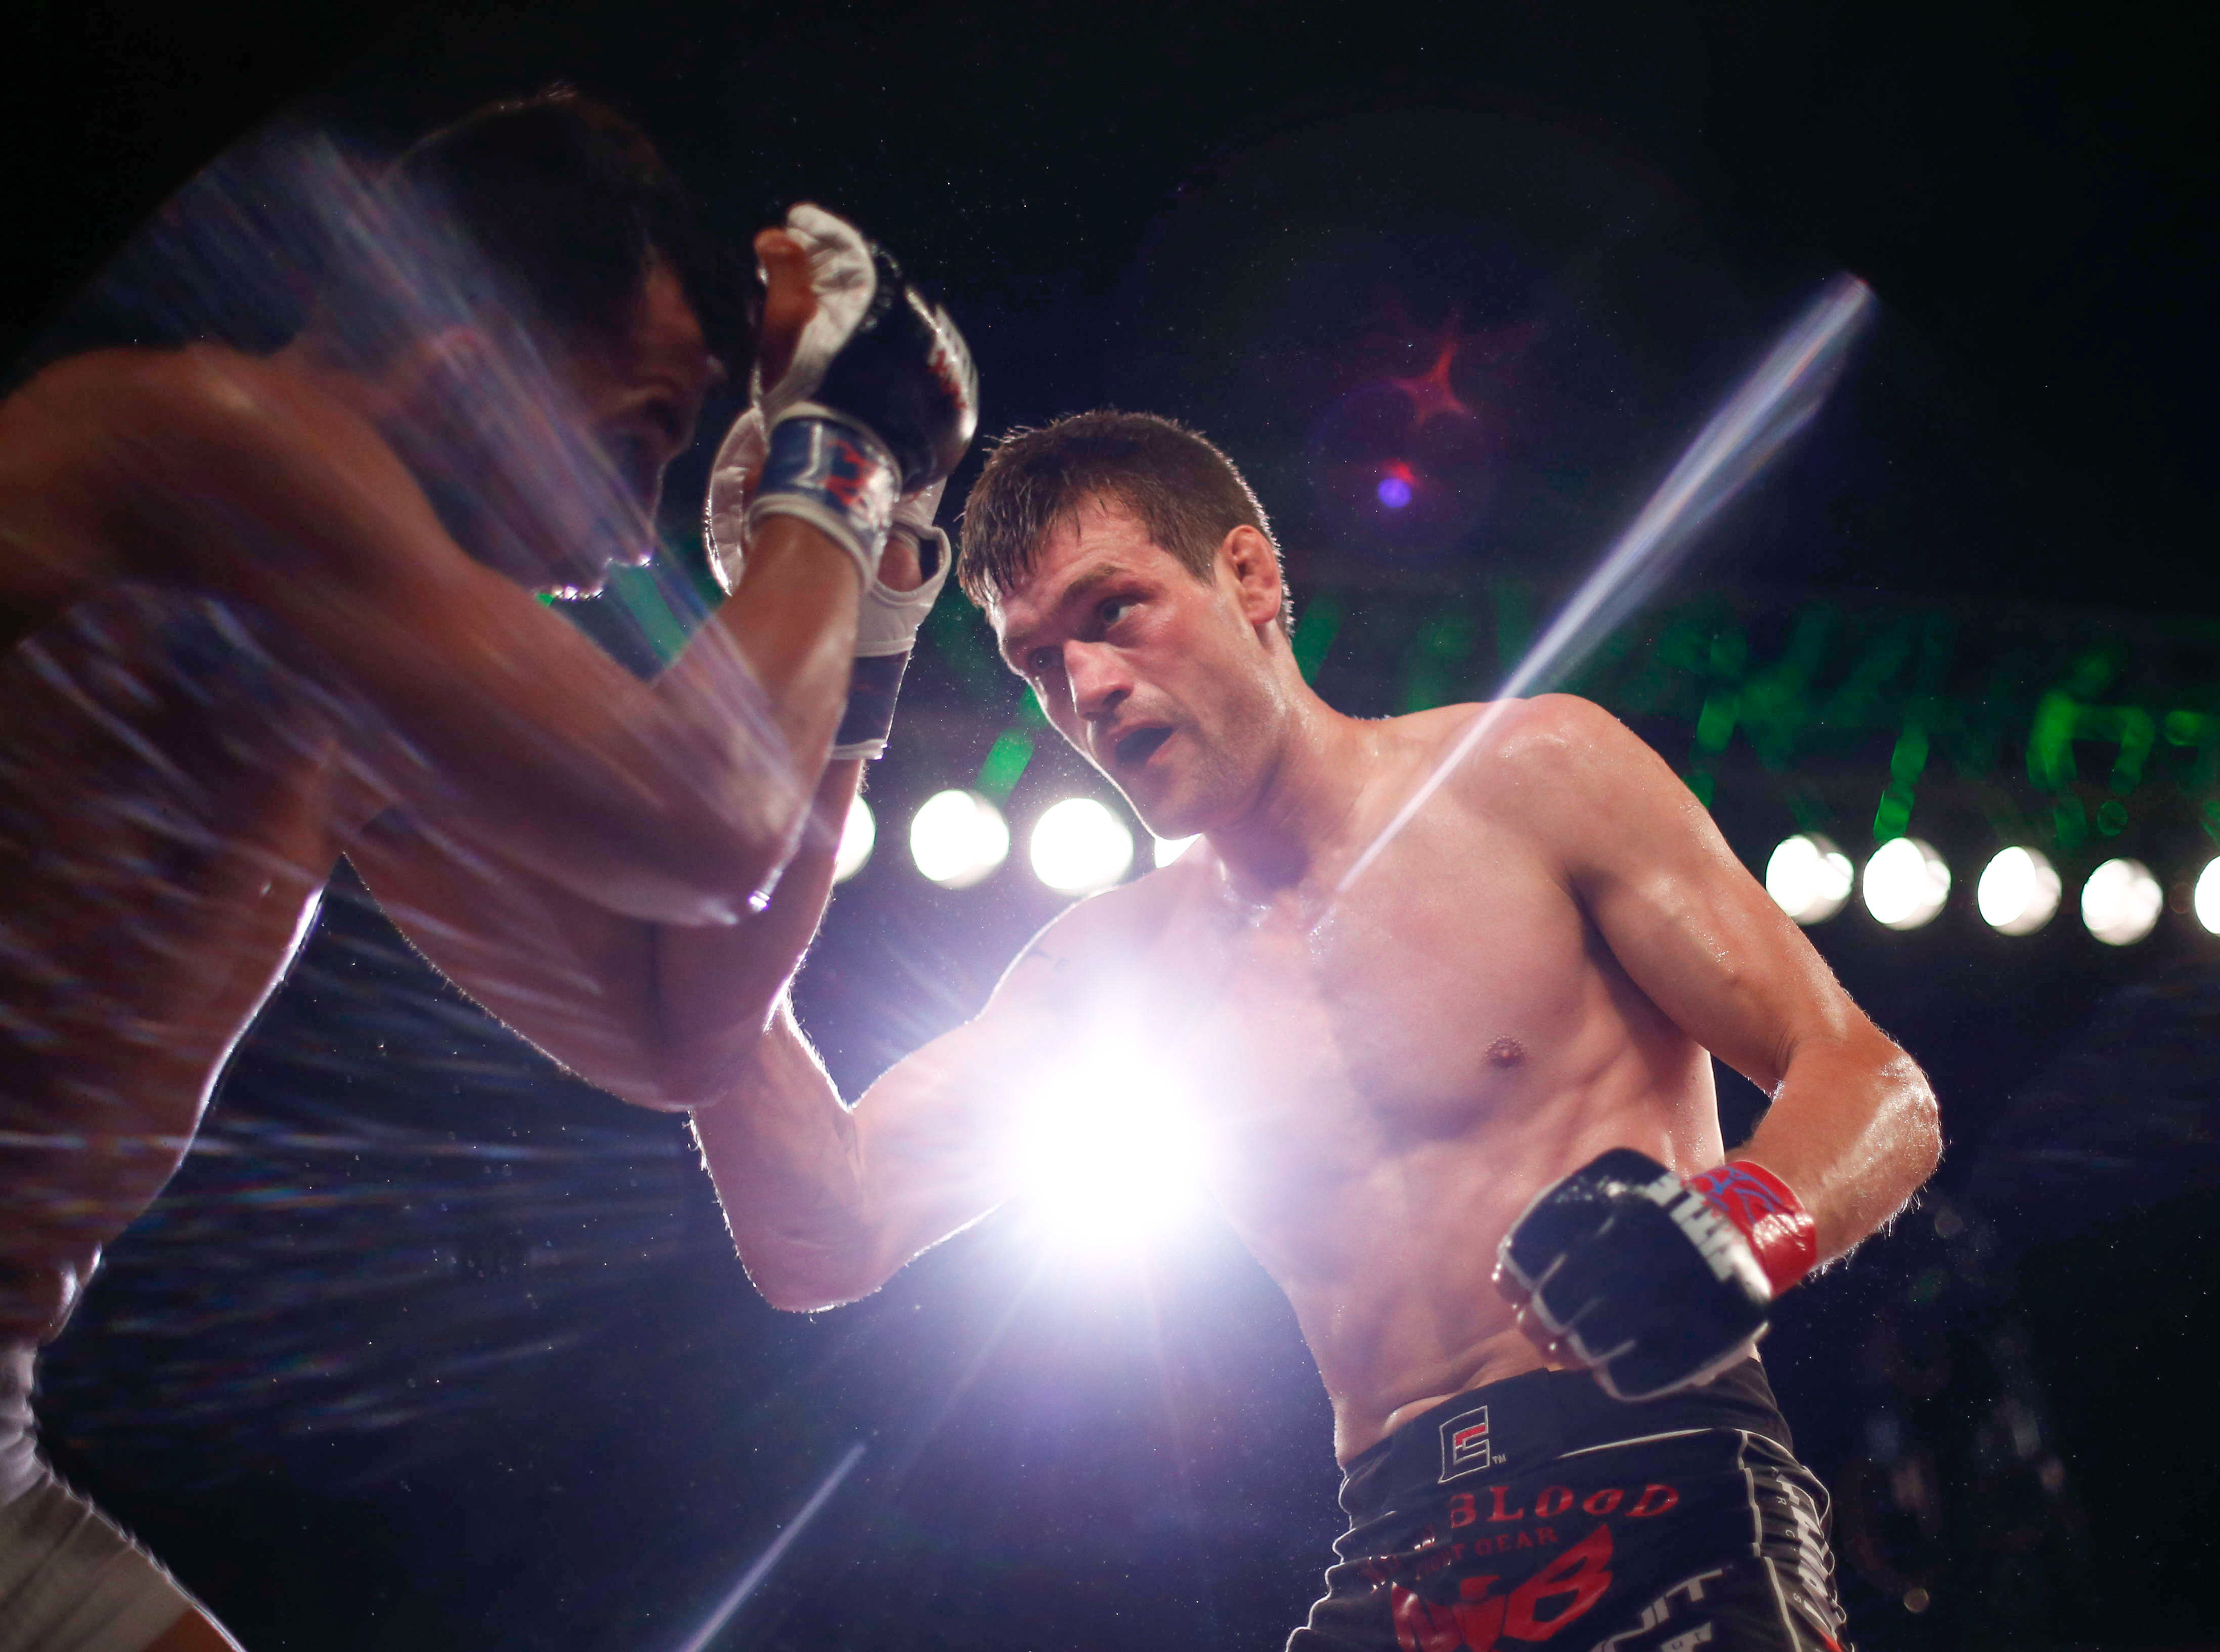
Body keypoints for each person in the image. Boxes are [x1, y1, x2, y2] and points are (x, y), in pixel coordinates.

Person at [685, 410, 1941, 1650]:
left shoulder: (1531, 776)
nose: (1090, 688)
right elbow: (822, 1236)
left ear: (1249, 574)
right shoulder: (1105, 971)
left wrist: (1737, 1229)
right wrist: (719, 859)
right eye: (1039, 664)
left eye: (1113, 610)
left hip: (1668, 1491)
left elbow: (1874, 1082)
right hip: (1398, 1557)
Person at [0, 90, 973, 1650]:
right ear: (465, 372)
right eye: (633, 442)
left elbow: (682, 1032)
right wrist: (840, 461)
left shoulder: (354, 678)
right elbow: (708, 817)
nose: (626, 543)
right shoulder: (211, 443)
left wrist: (861, 643)